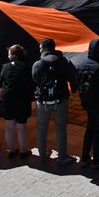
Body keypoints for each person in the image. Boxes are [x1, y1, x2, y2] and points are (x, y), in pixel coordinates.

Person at [32, 37, 77, 165]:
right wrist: (73, 90)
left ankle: (42, 156)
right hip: (61, 100)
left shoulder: (37, 64)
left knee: (41, 129)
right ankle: (62, 157)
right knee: (61, 129)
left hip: (43, 101)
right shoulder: (65, 62)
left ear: (44, 49)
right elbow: (73, 79)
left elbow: (34, 81)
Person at [75, 38, 99, 169]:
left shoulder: (80, 65)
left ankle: (85, 157)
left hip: (87, 103)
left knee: (90, 129)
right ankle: (97, 160)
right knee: (98, 131)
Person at [0, 44, 33, 159]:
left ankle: (11, 150)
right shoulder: (26, 66)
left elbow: (2, 79)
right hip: (22, 99)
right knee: (21, 126)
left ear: (13, 55)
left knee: (9, 126)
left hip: (7, 98)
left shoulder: (5, 66)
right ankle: (23, 151)